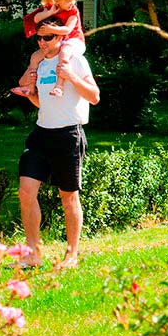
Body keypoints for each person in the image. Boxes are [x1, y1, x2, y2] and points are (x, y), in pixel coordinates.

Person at [14, 17, 100, 269]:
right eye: (39, 37)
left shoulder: (75, 60)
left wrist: (71, 77)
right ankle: (33, 254)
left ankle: (71, 255)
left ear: (61, 37)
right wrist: (31, 95)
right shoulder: (40, 64)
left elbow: (94, 97)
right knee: (25, 193)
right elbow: (43, 102)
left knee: (68, 197)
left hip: (68, 135)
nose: (43, 42)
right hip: (41, 134)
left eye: (49, 37)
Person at [12, 0, 85, 98]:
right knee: (35, 57)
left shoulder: (73, 10)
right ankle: (30, 87)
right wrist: (49, 12)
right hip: (59, 42)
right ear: (57, 1)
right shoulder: (52, 7)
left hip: (74, 41)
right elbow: (36, 19)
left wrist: (51, 29)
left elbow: (67, 30)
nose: (73, 2)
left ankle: (59, 86)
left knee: (64, 53)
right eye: (69, 0)